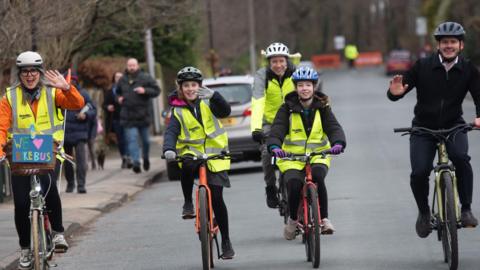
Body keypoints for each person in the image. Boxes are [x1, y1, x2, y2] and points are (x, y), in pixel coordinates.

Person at [387, 22, 480, 238]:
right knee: (419, 172)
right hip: (423, 127)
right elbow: (401, 89)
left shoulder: (468, 69)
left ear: (461, 45)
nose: (449, 46)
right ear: (438, 45)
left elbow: (478, 94)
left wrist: (478, 116)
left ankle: (466, 209)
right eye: (444, 42)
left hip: (454, 125)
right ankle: (424, 213)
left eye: (453, 42)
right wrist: (395, 93)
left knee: (461, 159)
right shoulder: (423, 66)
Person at [0, 51, 85, 269]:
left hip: (49, 152)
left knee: (50, 190)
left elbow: (76, 104)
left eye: (33, 71)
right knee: (20, 204)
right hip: (20, 155)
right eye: (25, 72)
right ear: (20, 75)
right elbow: (1, 127)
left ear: (39, 73)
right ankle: (26, 249)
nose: (29, 76)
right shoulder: (9, 97)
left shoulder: (52, 92)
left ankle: (57, 233)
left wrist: (66, 88)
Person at [162, 66, 235, 259]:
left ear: (200, 86)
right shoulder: (177, 109)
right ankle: (188, 202)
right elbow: (171, 132)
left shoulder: (208, 101)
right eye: (186, 85)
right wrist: (168, 149)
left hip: (215, 153)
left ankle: (226, 241)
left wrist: (215, 96)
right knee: (186, 166)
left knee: (218, 197)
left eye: (194, 84)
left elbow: (225, 111)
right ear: (180, 87)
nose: (190, 89)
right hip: (191, 153)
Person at [266, 67, 346, 240]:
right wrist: (275, 147)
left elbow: (333, 127)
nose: (304, 88)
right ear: (295, 88)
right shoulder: (286, 108)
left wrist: (338, 143)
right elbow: (277, 129)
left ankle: (324, 219)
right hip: (291, 158)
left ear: (314, 87)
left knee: (318, 176)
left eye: (308, 85)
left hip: (318, 154)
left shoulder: (323, 107)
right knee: (294, 184)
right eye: (300, 85)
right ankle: (293, 221)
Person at [251, 42, 296, 209]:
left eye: (281, 61)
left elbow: (307, 93)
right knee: (266, 153)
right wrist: (256, 128)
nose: (278, 65)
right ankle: (270, 187)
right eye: (274, 62)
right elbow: (257, 102)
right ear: (269, 63)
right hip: (269, 122)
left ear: (287, 60)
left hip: (293, 120)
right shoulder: (263, 76)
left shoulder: (295, 73)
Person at [116, 58, 160, 173]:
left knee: (145, 141)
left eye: (133, 65)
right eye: (129, 65)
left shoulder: (145, 77)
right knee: (132, 140)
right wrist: (118, 98)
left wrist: (145, 90)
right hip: (128, 116)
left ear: (137, 66)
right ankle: (136, 162)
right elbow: (117, 92)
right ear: (126, 66)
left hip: (143, 115)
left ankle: (145, 158)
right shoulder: (122, 79)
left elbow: (157, 90)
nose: (131, 67)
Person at [63, 75, 97, 194]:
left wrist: (85, 115)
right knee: (67, 161)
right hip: (64, 133)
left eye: (72, 81)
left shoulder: (83, 94)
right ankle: (70, 184)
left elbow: (93, 109)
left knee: (81, 160)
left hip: (80, 132)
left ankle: (81, 184)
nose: (70, 83)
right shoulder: (60, 94)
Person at [103, 71, 131, 168]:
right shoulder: (110, 91)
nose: (118, 78)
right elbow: (104, 104)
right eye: (116, 77)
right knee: (120, 140)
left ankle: (129, 157)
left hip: (127, 118)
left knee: (128, 138)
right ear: (114, 79)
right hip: (116, 118)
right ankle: (124, 157)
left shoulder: (127, 89)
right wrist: (108, 107)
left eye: (120, 77)